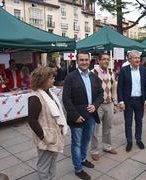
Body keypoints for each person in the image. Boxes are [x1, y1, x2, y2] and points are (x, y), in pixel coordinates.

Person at [62, 51, 103, 180]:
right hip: (77, 118)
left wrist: (95, 105)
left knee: (86, 140)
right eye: (81, 60)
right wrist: (74, 115)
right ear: (77, 61)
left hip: (91, 116)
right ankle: (78, 168)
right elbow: (66, 98)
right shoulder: (70, 77)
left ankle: (84, 159)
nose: (84, 62)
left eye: (86, 60)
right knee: (76, 143)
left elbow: (101, 94)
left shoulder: (93, 77)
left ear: (90, 61)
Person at [28, 67, 68, 180]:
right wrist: (43, 136)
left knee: (53, 162)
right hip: (46, 138)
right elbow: (32, 120)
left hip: (54, 136)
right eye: (51, 78)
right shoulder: (35, 97)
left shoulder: (49, 92)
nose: (54, 80)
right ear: (43, 80)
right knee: (44, 166)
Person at [117, 50, 146, 152]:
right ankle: (129, 141)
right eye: (135, 58)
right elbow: (120, 87)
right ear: (130, 59)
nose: (137, 60)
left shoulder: (143, 70)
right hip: (128, 101)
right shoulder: (124, 70)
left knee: (139, 121)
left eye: (139, 58)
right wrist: (121, 101)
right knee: (128, 122)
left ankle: (138, 139)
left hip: (140, 100)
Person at [90, 53, 118, 161]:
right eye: (104, 59)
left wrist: (115, 103)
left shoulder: (111, 72)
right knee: (95, 130)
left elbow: (114, 89)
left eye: (108, 59)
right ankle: (94, 150)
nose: (106, 61)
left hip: (109, 104)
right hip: (98, 105)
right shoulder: (92, 73)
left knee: (108, 127)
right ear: (99, 60)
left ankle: (107, 146)